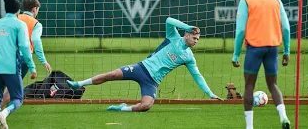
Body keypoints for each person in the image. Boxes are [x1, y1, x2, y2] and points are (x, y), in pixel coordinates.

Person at [67, 17, 223, 112]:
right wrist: (186, 26)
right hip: (141, 68)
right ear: (187, 34)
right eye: (194, 38)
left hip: (152, 82)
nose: (196, 41)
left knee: (146, 106)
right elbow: (169, 20)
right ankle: (78, 84)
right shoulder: (173, 36)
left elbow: (198, 76)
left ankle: (123, 108)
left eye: (198, 39)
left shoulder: (189, 57)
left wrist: (210, 94)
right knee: (112, 74)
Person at [231, 0, 291, 129]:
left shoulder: (246, 0)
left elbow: (240, 32)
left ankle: (249, 127)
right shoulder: (276, 0)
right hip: (272, 48)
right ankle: (283, 116)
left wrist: (236, 54)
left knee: (249, 86)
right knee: (273, 85)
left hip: (254, 48)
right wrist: (287, 52)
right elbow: (286, 28)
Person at [0, 0, 51, 110]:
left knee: (0, 85)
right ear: (34, 9)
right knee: (12, 91)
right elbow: (36, 41)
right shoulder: (36, 24)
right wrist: (44, 61)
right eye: (38, 10)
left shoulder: (14, 18)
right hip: (22, 59)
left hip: (5, 55)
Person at [0, 0, 37, 129]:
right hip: (11, 67)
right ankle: (4, 113)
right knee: (17, 99)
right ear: (18, 11)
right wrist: (32, 67)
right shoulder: (20, 24)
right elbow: (25, 47)